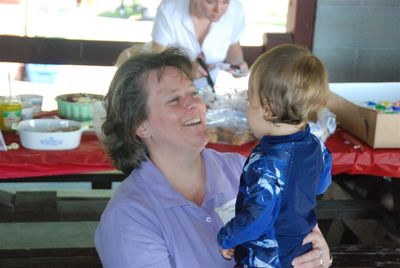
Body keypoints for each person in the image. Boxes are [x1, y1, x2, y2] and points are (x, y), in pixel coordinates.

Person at [94, 46, 332, 267]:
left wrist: (319, 257)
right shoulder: (129, 218)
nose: (194, 105)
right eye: (175, 99)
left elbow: (303, 231)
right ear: (140, 125)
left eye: (193, 93)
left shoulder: (240, 168)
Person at [217, 44, 333, 268]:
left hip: (270, 257)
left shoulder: (268, 163)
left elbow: (257, 217)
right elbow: (320, 185)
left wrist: (227, 237)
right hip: (301, 245)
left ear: (267, 109)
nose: (247, 107)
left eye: (250, 100)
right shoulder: (315, 144)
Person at [150, 0, 249, 89]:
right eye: (210, 2)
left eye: (225, 2)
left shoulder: (235, 9)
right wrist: (185, 69)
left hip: (215, 92)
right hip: (174, 88)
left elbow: (233, 47)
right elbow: (156, 60)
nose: (218, 10)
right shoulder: (168, 9)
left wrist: (238, 68)